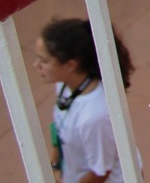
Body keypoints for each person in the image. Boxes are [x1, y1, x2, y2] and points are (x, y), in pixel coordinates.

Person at [35, 18, 135, 183]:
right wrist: (55, 165)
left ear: (70, 65)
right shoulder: (64, 84)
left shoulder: (94, 116)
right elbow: (59, 128)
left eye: (44, 61)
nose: (36, 65)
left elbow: (100, 172)